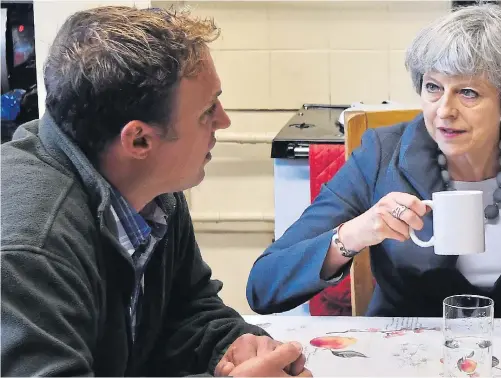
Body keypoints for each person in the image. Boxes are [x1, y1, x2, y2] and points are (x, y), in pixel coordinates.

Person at [247, 3, 501, 325]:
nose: (444, 110)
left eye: (468, 92)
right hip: (404, 355)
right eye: (433, 87)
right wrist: (354, 235)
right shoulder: (380, 154)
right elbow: (264, 288)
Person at [0, 6, 311, 377]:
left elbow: (186, 309)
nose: (224, 121)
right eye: (207, 111)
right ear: (140, 139)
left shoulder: (150, 189)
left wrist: (232, 346)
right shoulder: (33, 245)